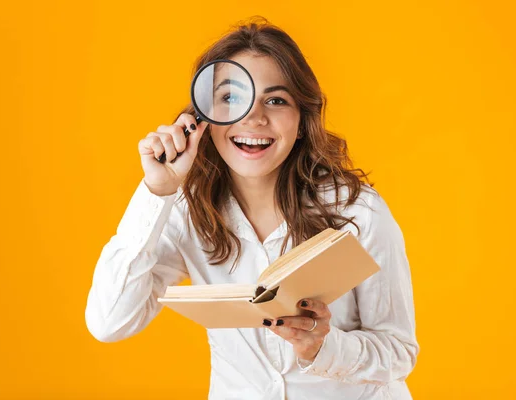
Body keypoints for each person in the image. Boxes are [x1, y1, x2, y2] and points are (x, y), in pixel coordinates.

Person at [85, 17, 419, 400]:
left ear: (302, 121)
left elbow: (398, 352)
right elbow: (109, 322)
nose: (253, 118)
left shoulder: (358, 212)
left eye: (276, 100)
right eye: (230, 98)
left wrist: (323, 348)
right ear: (203, 118)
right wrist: (157, 192)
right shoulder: (184, 210)